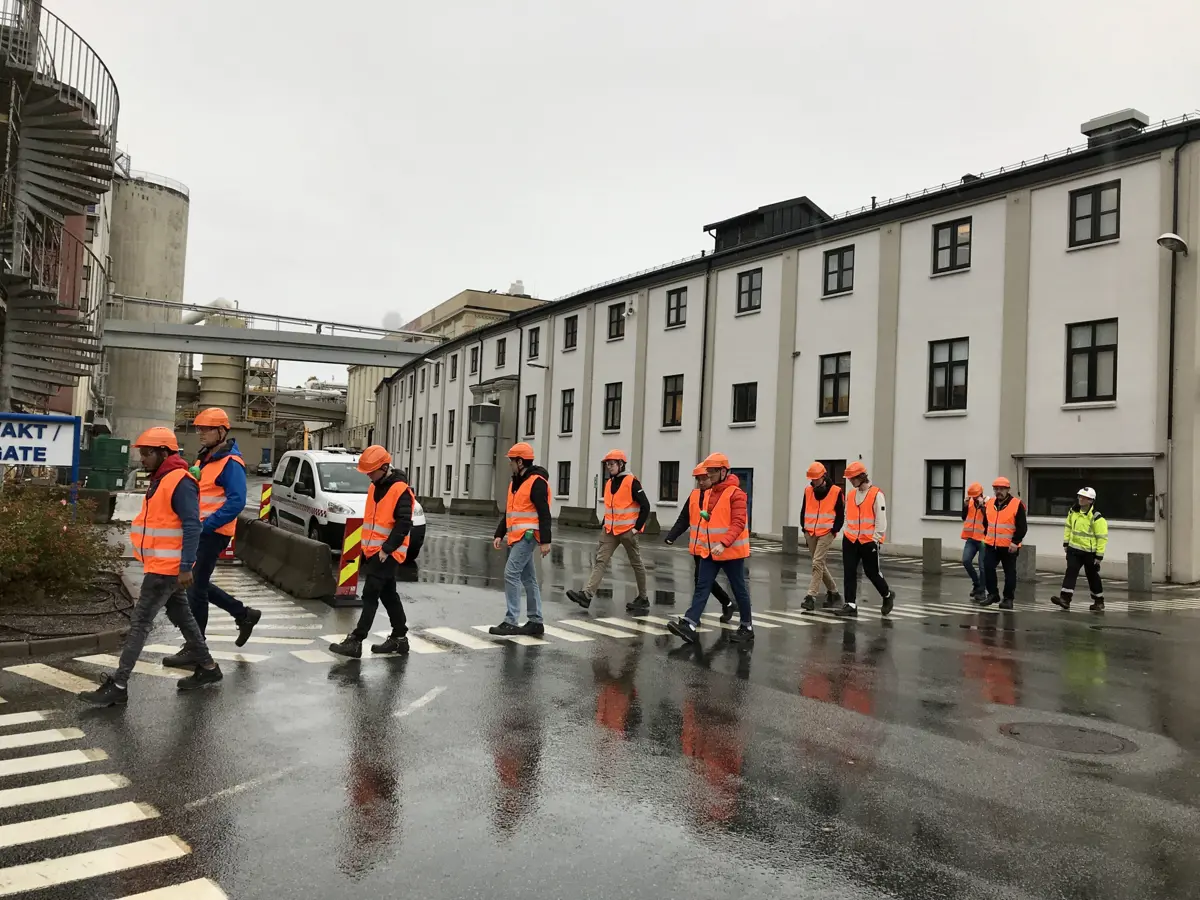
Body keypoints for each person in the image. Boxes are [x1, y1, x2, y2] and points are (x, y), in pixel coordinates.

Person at [79, 428, 222, 706]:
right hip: (160, 565)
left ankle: (119, 685)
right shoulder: (163, 479)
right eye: (141, 453)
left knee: (140, 623)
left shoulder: (179, 481)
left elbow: (193, 525)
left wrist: (185, 566)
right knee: (183, 617)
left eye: (147, 453)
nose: (142, 458)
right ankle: (208, 667)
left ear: (164, 453)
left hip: (166, 569)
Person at [160, 409, 261, 668]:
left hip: (213, 533)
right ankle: (243, 614)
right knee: (198, 584)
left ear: (222, 431)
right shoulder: (206, 459)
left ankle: (197, 646)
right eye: (199, 429)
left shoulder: (231, 464)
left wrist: (206, 524)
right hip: (200, 532)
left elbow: (237, 501)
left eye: (206, 428)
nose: (201, 433)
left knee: (195, 588)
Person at [329, 446, 413, 658]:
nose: (368, 475)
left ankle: (357, 640)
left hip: (388, 553)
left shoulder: (400, 489)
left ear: (385, 468)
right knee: (388, 594)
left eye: (371, 471)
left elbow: (404, 524)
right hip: (374, 551)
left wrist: (387, 549)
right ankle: (399, 638)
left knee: (370, 594)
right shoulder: (374, 487)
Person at [667, 453, 755, 644]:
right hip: (709, 551)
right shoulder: (709, 493)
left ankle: (747, 626)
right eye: (708, 472)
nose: (710, 476)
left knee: (739, 589)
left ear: (724, 471)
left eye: (712, 472)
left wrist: (723, 543)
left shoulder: (736, 494)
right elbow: (710, 520)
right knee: (702, 586)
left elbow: (739, 523)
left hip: (730, 552)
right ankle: (689, 624)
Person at [567, 449, 650, 611]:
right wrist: (605, 525)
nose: (609, 467)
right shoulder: (609, 483)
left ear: (621, 464)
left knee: (636, 564)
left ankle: (643, 598)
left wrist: (636, 528)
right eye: (607, 465)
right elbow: (611, 508)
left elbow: (645, 506)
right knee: (600, 561)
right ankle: (587, 595)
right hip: (610, 531)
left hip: (627, 531)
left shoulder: (632, 482)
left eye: (612, 464)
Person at [491, 443, 552, 636]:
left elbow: (544, 513)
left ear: (520, 461)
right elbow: (510, 511)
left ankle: (511, 620)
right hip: (517, 536)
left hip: (528, 536)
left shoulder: (537, 482)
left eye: (512, 461)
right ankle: (536, 621)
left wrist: (545, 541)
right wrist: (499, 533)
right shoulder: (516, 483)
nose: (510, 464)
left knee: (511, 573)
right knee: (528, 578)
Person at [664, 463, 736, 621]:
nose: (701, 482)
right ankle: (726, 603)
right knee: (703, 582)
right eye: (698, 479)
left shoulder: (717, 495)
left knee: (702, 582)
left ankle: (693, 618)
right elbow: (684, 518)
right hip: (698, 547)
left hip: (714, 546)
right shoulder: (694, 495)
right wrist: (672, 536)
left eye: (704, 478)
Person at [835, 461, 895, 619]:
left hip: (868, 541)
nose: (850, 481)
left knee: (872, 572)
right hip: (850, 539)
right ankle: (850, 604)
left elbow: (881, 521)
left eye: (852, 478)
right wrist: (847, 532)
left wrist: (875, 538)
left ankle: (887, 595)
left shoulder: (876, 494)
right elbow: (847, 515)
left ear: (861, 477)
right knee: (849, 571)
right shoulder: (851, 495)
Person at [1051, 487, 1108, 612]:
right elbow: (1068, 527)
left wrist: (1099, 556)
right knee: (1071, 571)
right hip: (1074, 550)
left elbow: (1102, 537)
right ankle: (1065, 599)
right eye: (1080, 497)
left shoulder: (1096, 517)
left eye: (1084, 497)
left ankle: (1099, 601)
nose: (1081, 499)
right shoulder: (1073, 511)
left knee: (1092, 576)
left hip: (1090, 553)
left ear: (1091, 501)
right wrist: (1066, 543)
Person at [799, 462, 844, 611]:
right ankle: (834, 592)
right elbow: (804, 509)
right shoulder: (808, 490)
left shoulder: (836, 491)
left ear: (823, 476)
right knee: (819, 564)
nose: (813, 482)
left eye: (816, 479)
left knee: (817, 562)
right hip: (810, 531)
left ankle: (811, 596)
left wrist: (834, 530)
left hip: (827, 532)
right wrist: (804, 528)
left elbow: (840, 514)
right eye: (812, 479)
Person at [979, 476, 1027, 610]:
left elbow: (1022, 526)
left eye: (1001, 489)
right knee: (987, 567)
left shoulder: (1016, 504)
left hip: (1009, 546)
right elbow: (986, 522)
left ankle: (1008, 598)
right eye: (996, 489)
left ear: (1008, 490)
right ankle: (993, 594)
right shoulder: (990, 503)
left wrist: (1015, 542)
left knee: (1009, 573)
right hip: (991, 544)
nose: (998, 491)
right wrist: (986, 536)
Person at [960, 482, 987, 601]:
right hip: (971, 538)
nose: (974, 499)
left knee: (983, 566)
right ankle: (976, 584)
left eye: (975, 497)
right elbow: (964, 517)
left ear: (981, 494)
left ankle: (982, 591)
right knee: (966, 560)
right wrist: (965, 506)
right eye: (972, 497)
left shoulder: (989, 502)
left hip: (983, 539)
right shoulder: (969, 503)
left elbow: (989, 519)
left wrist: (983, 507)